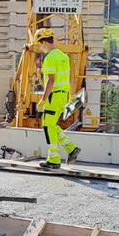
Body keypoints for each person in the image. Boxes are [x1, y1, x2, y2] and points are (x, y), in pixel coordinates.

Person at [34, 28, 81, 169]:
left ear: (44, 42)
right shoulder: (63, 56)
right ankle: (71, 148)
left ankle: (54, 159)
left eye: (40, 44)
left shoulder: (49, 58)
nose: (40, 48)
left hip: (53, 96)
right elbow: (69, 78)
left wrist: (43, 99)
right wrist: (71, 95)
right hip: (62, 95)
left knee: (48, 126)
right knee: (52, 124)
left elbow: (50, 81)